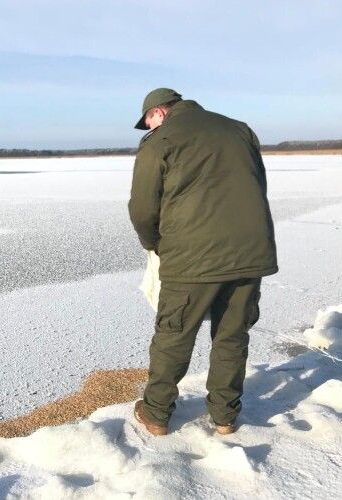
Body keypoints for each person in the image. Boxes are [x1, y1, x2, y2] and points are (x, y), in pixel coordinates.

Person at [127, 88, 278, 436]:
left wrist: (154, 244)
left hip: (192, 257)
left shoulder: (160, 140)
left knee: (174, 334)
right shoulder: (240, 130)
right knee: (232, 335)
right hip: (249, 253)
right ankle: (225, 416)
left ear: (159, 113)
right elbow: (257, 186)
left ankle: (156, 414)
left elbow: (142, 208)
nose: (148, 128)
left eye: (148, 121)